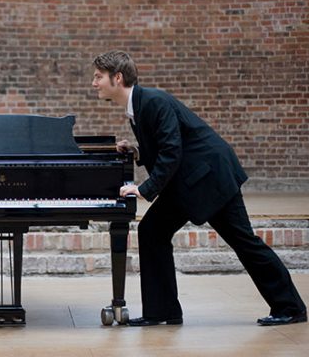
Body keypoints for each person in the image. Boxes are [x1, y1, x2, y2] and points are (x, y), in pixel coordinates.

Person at [92, 50, 306, 327]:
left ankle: (291, 307)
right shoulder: (139, 106)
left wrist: (144, 189)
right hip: (189, 181)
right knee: (152, 231)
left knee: (244, 241)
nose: (94, 83)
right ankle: (162, 311)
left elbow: (172, 151)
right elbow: (166, 146)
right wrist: (137, 152)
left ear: (117, 77)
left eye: (98, 77)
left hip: (210, 178)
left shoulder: (153, 101)